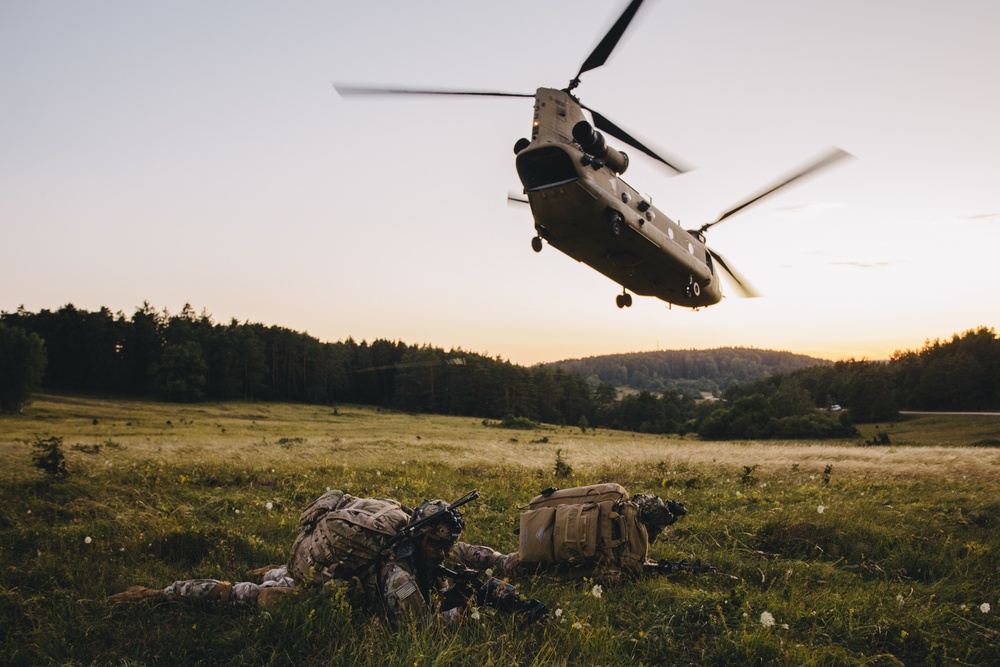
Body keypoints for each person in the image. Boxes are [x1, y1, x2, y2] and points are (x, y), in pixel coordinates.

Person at [110, 496, 529, 623]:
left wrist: (502, 563)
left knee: (278, 576)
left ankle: (275, 570)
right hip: (328, 587)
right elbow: (421, 627)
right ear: (421, 537)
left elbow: (464, 553)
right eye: (437, 545)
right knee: (253, 596)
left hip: (342, 571)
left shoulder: (419, 536)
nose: (443, 551)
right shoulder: (398, 575)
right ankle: (164, 593)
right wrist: (466, 607)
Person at [452, 492, 685, 579]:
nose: (655, 535)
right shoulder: (627, 556)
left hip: (563, 555)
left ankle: (459, 549)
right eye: (658, 528)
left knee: (507, 563)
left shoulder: (625, 526)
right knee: (504, 564)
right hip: (557, 559)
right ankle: (457, 549)